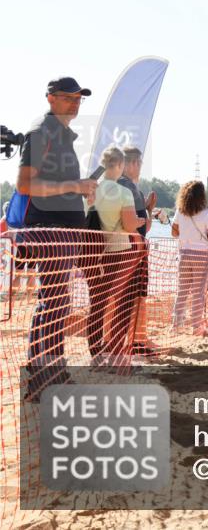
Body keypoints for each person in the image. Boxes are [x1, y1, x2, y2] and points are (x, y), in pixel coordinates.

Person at [16, 77, 98, 400]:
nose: (76, 103)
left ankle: (52, 371)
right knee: (53, 303)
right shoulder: (41, 132)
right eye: (68, 97)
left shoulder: (60, 134)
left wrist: (82, 189)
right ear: (50, 98)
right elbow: (24, 185)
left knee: (57, 303)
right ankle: (41, 378)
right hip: (48, 230)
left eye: (79, 98)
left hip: (62, 230)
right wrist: (73, 187)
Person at [86, 146, 144, 364]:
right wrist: (140, 221)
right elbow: (129, 226)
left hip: (93, 252)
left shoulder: (92, 190)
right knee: (122, 303)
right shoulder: (123, 192)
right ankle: (117, 353)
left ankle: (96, 354)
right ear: (120, 165)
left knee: (97, 304)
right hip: (119, 252)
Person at [117, 145, 161, 356]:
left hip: (125, 248)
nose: (140, 167)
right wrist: (147, 213)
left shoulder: (123, 187)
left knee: (126, 297)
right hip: (133, 250)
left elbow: (143, 225)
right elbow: (134, 225)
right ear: (130, 164)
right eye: (139, 163)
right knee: (135, 297)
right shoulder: (128, 188)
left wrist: (148, 210)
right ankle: (137, 341)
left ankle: (130, 340)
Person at [170, 181, 208, 336]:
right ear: (202, 196)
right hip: (201, 255)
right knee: (198, 292)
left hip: (184, 253)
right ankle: (196, 326)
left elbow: (174, 232)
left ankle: (176, 325)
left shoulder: (180, 211)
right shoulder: (207, 213)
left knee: (182, 290)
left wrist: (186, 233)